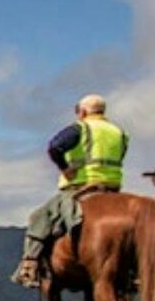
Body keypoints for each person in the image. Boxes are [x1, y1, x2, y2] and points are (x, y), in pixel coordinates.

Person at [12, 94, 129, 288]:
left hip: (82, 186)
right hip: (113, 189)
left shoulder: (80, 128)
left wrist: (65, 168)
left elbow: (55, 146)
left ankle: (29, 266)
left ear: (82, 111)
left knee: (39, 217)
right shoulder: (119, 132)